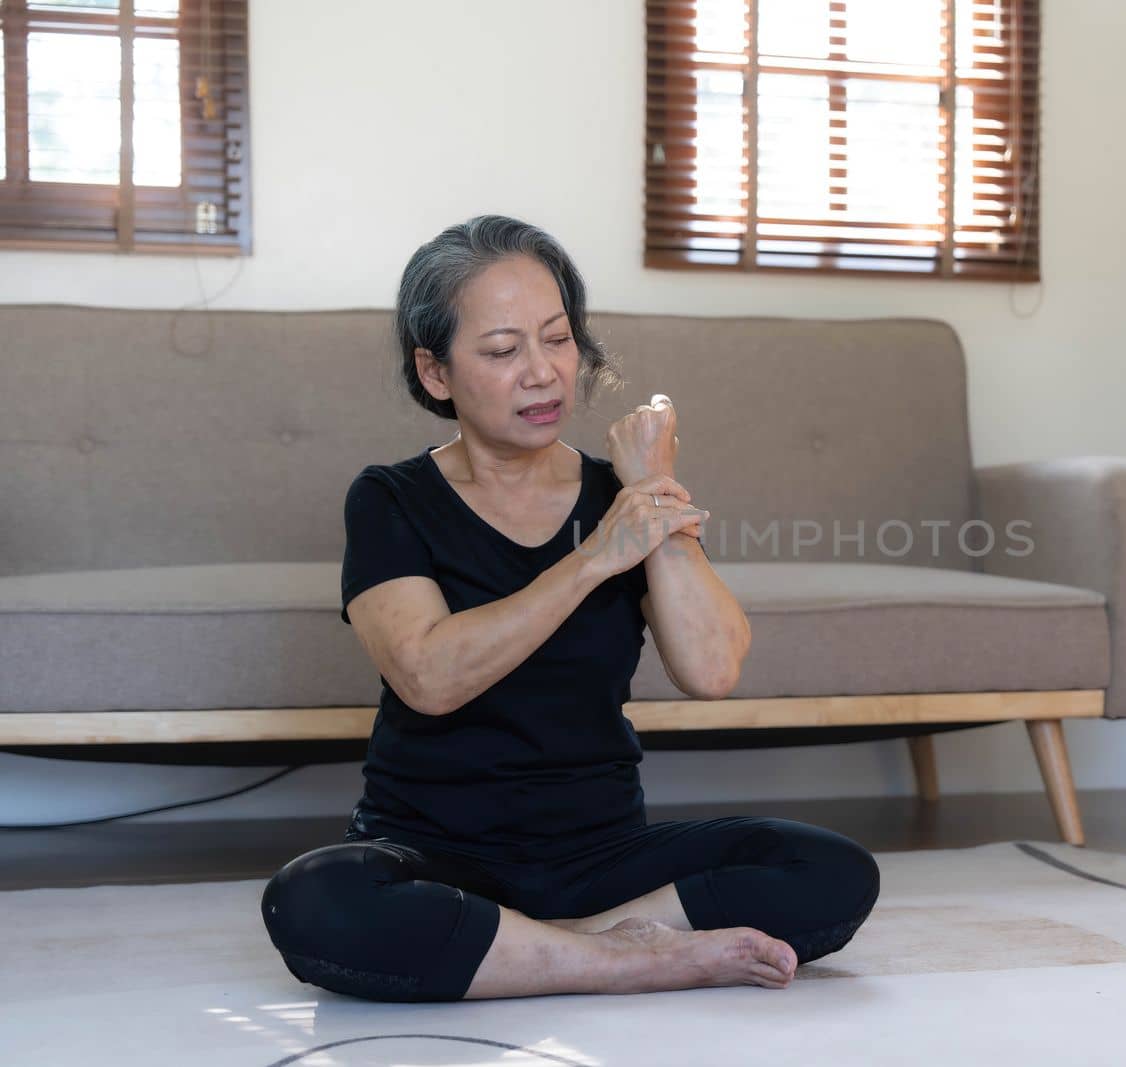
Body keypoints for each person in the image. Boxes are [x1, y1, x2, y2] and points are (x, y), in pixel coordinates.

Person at [259, 215, 880, 1002]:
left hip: (602, 859)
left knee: (831, 870)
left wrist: (651, 495)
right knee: (314, 899)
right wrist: (594, 559)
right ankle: (630, 957)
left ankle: (530, 950)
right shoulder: (390, 499)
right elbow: (428, 675)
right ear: (436, 370)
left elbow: (713, 668)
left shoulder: (619, 497)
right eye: (501, 349)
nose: (544, 372)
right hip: (434, 851)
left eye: (557, 339)